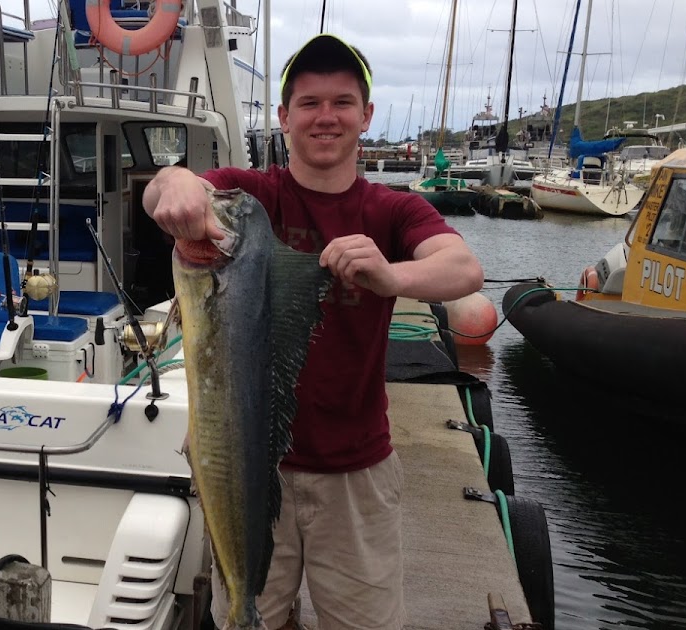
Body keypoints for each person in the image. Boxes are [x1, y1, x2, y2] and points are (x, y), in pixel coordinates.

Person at [142, 34, 484, 630]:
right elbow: (173, 187)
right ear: (284, 116)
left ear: (365, 116)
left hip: (356, 473)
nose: (326, 117)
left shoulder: (392, 209)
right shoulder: (250, 199)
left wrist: (389, 275)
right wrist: (172, 183)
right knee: (243, 614)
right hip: (244, 467)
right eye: (309, 103)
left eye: (342, 102)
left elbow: (463, 269)